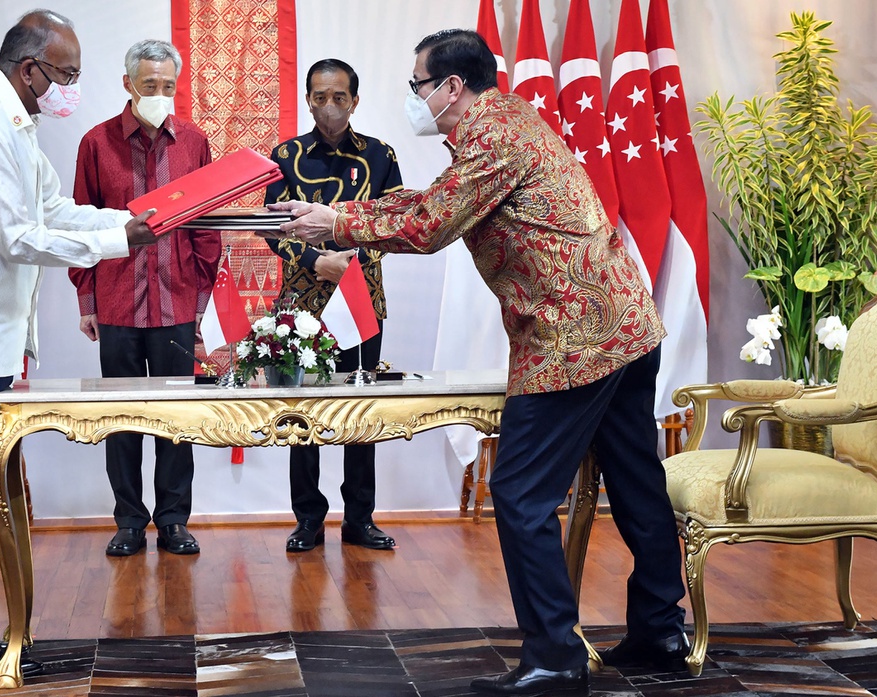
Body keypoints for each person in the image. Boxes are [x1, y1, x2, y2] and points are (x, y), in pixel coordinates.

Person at [269, 29, 688, 697]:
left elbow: (430, 225)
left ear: (451, 87)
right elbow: (429, 201)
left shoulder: (492, 135)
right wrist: (335, 212)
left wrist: (336, 224)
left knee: (519, 494)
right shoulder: (504, 119)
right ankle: (662, 632)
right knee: (637, 483)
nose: (414, 97)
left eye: (417, 85)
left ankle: (555, 658)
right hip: (624, 325)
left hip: (574, 339)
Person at [0, 10, 158, 679]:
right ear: (29, 70)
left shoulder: (18, 122)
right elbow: (18, 236)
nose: (71, 89)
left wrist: (130, 219)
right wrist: (118, 241)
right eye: (66, 76)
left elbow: (55, 210)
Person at [69, 39, 220, 558]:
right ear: (128, 84)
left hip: (177, 302)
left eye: (167, 86)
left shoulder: (194, 142)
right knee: (122, 419)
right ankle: (129, 521)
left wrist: (200, 305)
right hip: (117, 303)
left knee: (177, 418)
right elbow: (81, 226)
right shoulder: (96, 143)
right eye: (149, 84)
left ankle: (174, 520)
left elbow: (206, 228)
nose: (159, 93)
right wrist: (87, 301)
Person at [263, 58, 403, 553]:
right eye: (320, 97)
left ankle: (360, 518)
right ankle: (308, 519)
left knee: (359, 411)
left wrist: (353, 260)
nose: (329, 106)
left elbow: (397, 222)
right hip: (301, 307)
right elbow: (270, 227)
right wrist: (316, 261)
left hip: (362, 299)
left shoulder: (381, 155)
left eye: (339, 97)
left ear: (354, 101)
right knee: (302, 414)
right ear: (308, 100)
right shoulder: (285, 156)